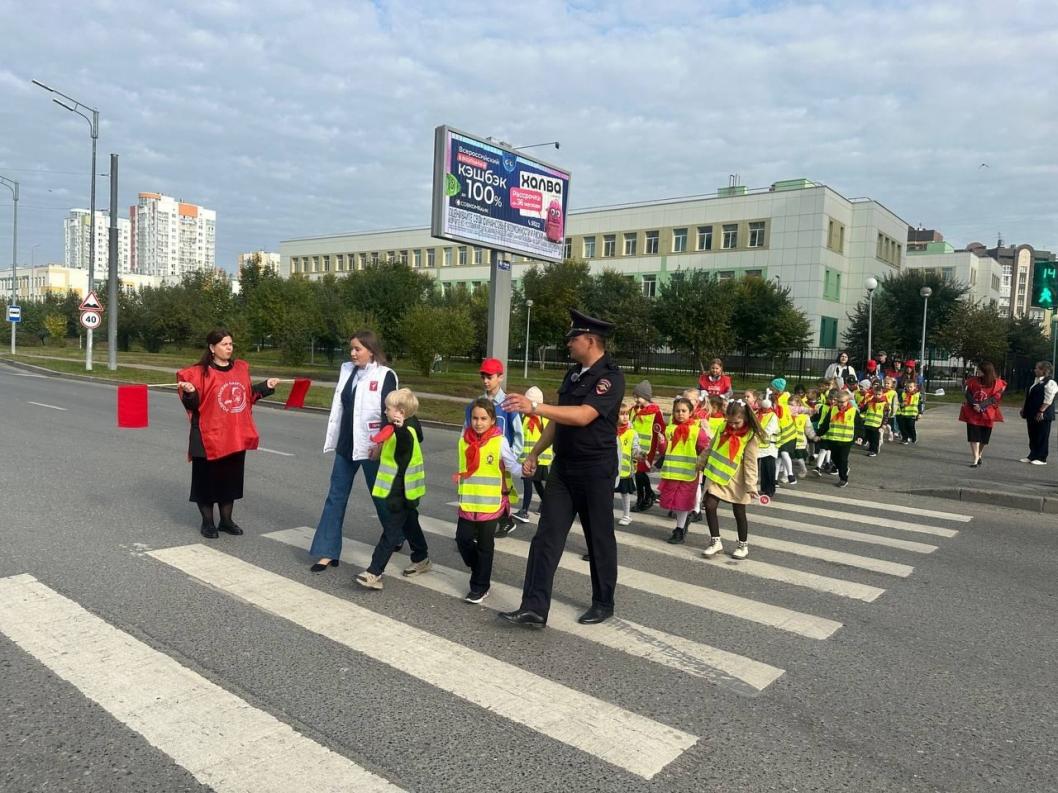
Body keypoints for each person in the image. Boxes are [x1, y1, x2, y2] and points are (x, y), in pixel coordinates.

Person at [498, 309, 625, 628]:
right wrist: (535, 453)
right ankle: (534, 607)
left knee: (599, 538)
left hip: (595, 470)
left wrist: (535, 406)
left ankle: (603, 601)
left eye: (573, 339)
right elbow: (560, 419)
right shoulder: (573, 374)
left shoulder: (610, 377)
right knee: (546, 538)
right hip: (564, 469)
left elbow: (582, 415)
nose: (568, 344)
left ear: (590, 340)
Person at [309, 330, 397, 573]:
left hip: (371, 446)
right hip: (346, 444)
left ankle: (395, 533)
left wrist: (379, 444)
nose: (353, 353)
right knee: (335, 496)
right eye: (352, 349)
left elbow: (389, 414)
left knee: (381, 496)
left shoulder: (385, 375)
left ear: (371, 350)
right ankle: (328, 551)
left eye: (358, 349)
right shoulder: (347, 370)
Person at [177, 328, 278, 538]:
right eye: (224, 344)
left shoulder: (240, 369)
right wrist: (190, 392)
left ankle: (226, 521)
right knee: (206, 481)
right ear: (212, 348)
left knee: (229, 480)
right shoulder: (197, 373)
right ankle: (207, 523)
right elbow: (193, 404)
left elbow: (246, 395)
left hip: (234, 434)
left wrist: (265, 387)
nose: (229, 348)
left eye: (231, 344)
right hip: (207, 436)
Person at [355, 389, 431, 590]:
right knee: (409, 523)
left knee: (390, 531)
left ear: (400, 412)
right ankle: (421, 557)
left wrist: (399, 428)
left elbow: (405, 442)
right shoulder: (396, 427)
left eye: (388, 408)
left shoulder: (407, 431)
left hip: (402, 491)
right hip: (399, 490)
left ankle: (374, 572)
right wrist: (379, 448)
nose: (385, 410)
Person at [455, 398, 522, 604]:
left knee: (485, 547)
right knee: (462, 540)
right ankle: (480, 570)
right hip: (468, 502)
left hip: (490, 505)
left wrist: (527, 470)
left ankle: (480, 586)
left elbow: (511, 465)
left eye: (484, 418)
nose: (478, 422)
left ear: (493, 420)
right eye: (475, 418)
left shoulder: (499, 441)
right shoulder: (463, 440)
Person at [465, 358, 524, 537]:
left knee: (501, 490)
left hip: (500, 458)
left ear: (500, 377)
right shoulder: (475, 405)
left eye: (490, 377)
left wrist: (510, 458)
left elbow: (518, 434)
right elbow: (466, 431)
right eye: (483, 376)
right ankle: (483, 526)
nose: (485, 381)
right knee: (481, 492)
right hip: (478, 459)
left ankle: (497, 524)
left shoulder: (508, 404)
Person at [700, 400, 762, 560]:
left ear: (745, 419)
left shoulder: (750, 437)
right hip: (717, 476)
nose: (733, 426)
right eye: (730, 422)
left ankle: (743, 545)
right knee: (709, 504)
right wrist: (700, 462)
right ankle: (715, 541)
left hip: (738, 479)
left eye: (737, 422)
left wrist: (751, 485)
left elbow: (750, 463)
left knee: (739, 512)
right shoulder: (722, 428)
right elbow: (711, 447)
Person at [659, 396, 710, 545]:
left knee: (683, 502)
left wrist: (701, 464)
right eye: (677, 411)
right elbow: (663, 451)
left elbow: (704, 449)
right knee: (673, 503)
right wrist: (661, 442)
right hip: (672, 473)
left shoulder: (696, 431)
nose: (680, 414)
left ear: (690, 412)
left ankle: (679, 529)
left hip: (688, 474)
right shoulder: (670, 429)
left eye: (683, 411)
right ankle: (681, 524)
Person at [958, 362, 1006, 468]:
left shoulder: (997, 383)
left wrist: (982, 406)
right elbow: (968, 393)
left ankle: (979, 454)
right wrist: (974, 404)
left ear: (986, 371)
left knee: (984, 438)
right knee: (974, 436)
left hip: (987, 413)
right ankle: (975, 458)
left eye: (979, 370)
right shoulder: (972, 381)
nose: (977, 371)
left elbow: (996, 397)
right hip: (972, 412)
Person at [514, 386, 550, 522]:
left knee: (528, 483)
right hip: (529, 458)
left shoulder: (542, 419)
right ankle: (546, 504)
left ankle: (524, 511)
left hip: (538, 460)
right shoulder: (523, 418)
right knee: (537, 483)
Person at [629, 380, 665, 512]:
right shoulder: (634, 410)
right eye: (635, 396)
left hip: (648, 449)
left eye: (638, 397)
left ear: (646, 397)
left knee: (639, 473)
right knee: (637, 473)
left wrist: (661, 445)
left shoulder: (655, 412)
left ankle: (643, 499)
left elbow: (661, 430)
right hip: (635, 447)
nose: (636, 399)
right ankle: (648, 495)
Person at [1019, 361, 1056, 465]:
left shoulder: (1050, 383)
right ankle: (1032, 455)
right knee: (1033, 435)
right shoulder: (1036, 381)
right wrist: (1024, 409)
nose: (1035, 370)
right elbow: (1029, 396)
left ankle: (1041, 457)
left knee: (1042, 435)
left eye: (1037, 368)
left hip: (1042, 414)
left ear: (1044, 370)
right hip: (1031, 412)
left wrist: (1041, 411)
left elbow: (1049, 399)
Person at [819, 388, 857, 487]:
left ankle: (843, 479)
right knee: (835, 458)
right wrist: (818, 433)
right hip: (834, 439)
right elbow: (826, 423)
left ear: (848, 401)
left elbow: (859, 425)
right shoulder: (833, 409)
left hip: (846, 440)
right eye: (838, 402)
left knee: (843, 459)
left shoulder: (853, 411)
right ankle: (843, 469)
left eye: (842, 402)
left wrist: (859, 436)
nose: (840, 404)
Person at [747, 390, 779, 497]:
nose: (759, 402)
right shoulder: (757, 413)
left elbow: (769, 431)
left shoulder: (772, 416)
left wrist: (757, 436)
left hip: (769, 447)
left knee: (768, 469)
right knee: (757, 469)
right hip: (757, 445)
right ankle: (760, 488)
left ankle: (769, 490)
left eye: (761, 399)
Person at [614, 399, 641, 527]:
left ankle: (626, 515)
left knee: (625, 493)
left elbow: (635, 449)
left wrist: (639, 455)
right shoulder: (610, 431)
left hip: (625, 470)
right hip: (612, 469)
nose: (625, 417)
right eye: (621, 414)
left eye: (626, 414)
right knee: (608, 492)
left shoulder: (632, 433)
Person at [861, 382, 889, 457]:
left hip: (877, 424)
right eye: (876, 394)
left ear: (882, 394)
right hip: (868, 423)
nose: (877, 396)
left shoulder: (884, 403)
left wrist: (884, 424)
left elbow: (886, 415)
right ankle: (870, 448)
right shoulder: (870, 402)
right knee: (869, 437)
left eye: (879, 394)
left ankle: (874, 450)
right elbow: (864, 408)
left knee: (875, 438)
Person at [896, 380, 921, 445]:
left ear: (914, 387)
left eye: (911, 387)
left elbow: (919, 404)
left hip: (912, 413)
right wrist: (902, 404)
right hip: (904, 413)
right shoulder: (903, 394)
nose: (909, 388)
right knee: (903, 427)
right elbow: (900, 403)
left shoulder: (917, 394)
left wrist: (920, 413)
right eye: (908, 387)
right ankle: (905, 439)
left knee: (911, 426)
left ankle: (913, 437)